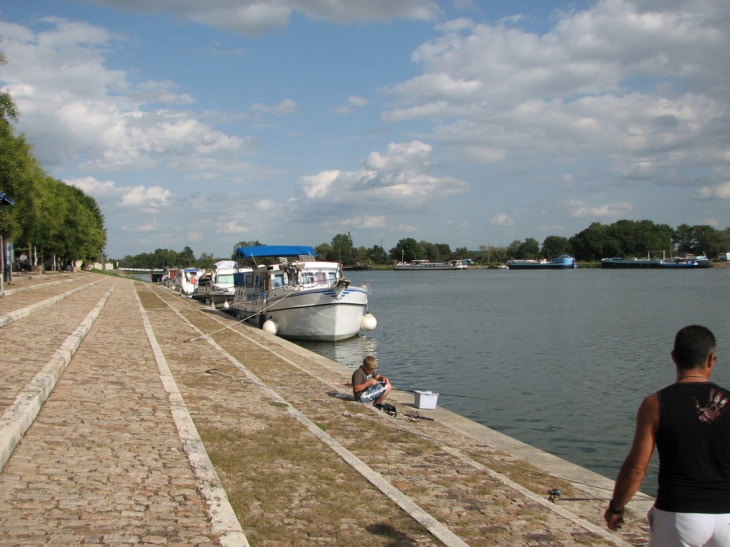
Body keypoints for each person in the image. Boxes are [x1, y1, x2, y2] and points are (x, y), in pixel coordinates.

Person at [604, 325, 730, 547]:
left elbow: (636, 469)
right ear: (711, 359)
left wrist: (616, 507)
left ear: (673, 357)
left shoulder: (656, 404)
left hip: (678, 515)